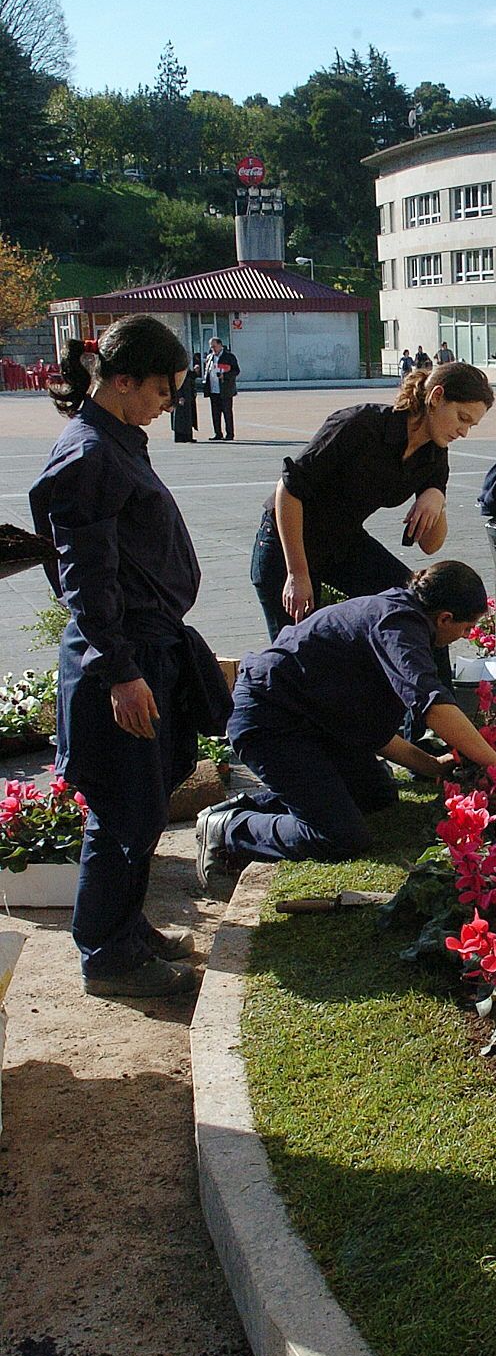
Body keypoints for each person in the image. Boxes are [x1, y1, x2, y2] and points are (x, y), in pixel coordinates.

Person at [29, 316, 231, 1000]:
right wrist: (120, 670)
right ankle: (108, 957)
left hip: (144, 647)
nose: (169, 403)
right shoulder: (87, 453)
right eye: (164, 390)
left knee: (142, 802)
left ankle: (126, 928)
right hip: (118, 659)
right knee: (123, 811)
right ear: (122, 380)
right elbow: (85, 578)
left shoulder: (115, 440)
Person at [197, 562, 496, 873]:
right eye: (467, 627)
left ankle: (250, 806)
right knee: (339, 836)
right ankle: (231, 828)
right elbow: (434, 706)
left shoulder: (404, 617)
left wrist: (432, 766)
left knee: (375, 796)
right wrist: (495, 766)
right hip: (269, 721)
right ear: (445, 618)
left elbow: (369, 729)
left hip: (310, 720)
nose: (466, 636)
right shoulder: (398, 626)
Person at [250, 360, 494, 645]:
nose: (464, 432)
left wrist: (437, 499)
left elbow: (431, 544)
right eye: (462, 418)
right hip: (286, 544)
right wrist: (297, 574)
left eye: (471, 425)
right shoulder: (360, 425)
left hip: (342, 543)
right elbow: (288, 491)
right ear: (436, 397)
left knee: (419, 609)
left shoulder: (435, 453)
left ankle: (431, 689)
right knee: (297, 653)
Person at [203, 336, 240, 441]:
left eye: (214, 346)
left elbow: (236, 371)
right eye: (211, 347)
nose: (212, 349)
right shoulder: (210, 357)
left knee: (227, 413)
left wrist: (225, 376)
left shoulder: (229, 356)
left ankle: (230, 434)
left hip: (225, 390)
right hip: (213, 390)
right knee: (215, 413)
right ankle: (218, 433)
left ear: (220, 345)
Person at [171, 352, 199, 442]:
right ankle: (180, 437)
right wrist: (179, 396)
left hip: (188, 395)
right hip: (181, 395)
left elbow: (190, 376)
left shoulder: (184, 368)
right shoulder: (176, 369)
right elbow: (175, 384)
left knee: (188, 416)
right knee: (180, 417)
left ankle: (188, 436)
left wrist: (196, 372)